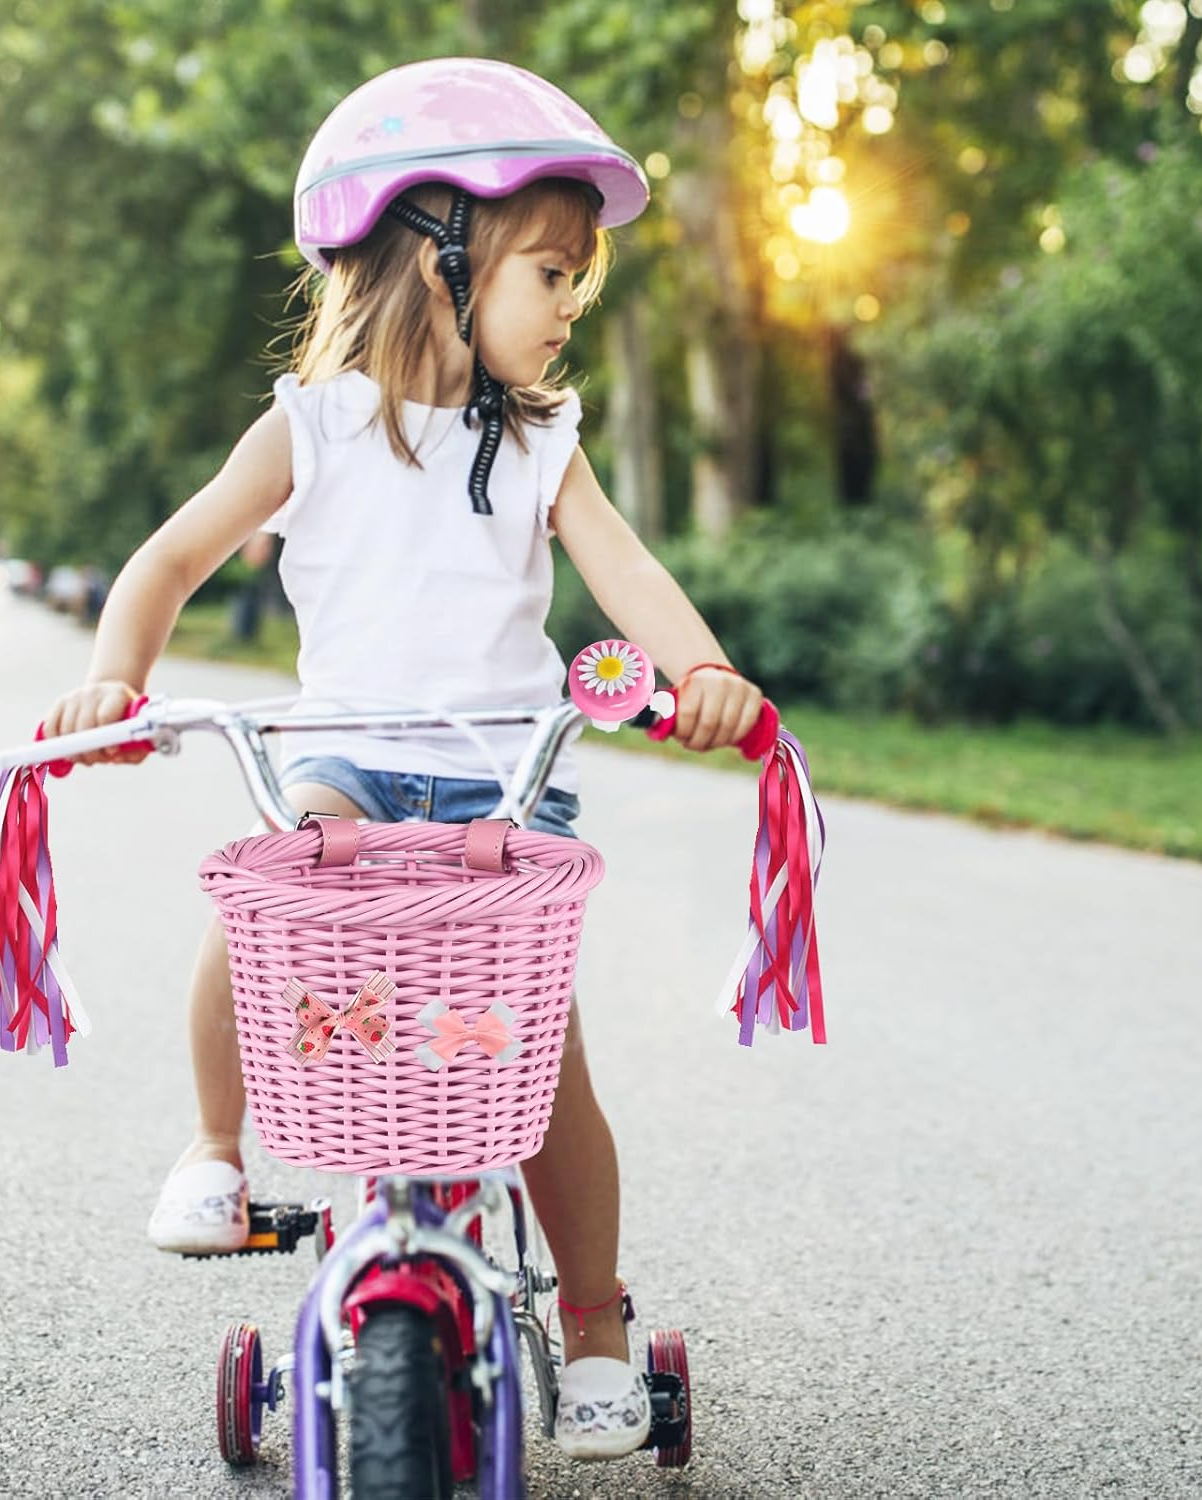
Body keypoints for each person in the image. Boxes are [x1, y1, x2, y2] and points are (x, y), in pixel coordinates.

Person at [40, 57, 764, 1462]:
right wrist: (111, 683)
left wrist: (704, 670)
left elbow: (625, 569)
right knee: (260, 918)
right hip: (349, 777)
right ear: (443, 262)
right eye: (551, 273)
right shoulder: (309, 425)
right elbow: (170, 558)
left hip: (505, 794)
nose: (569, 307)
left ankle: (599, 1331)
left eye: (576, 280)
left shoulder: (547, 438)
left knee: (547, 1067)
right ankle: (215, 1150)